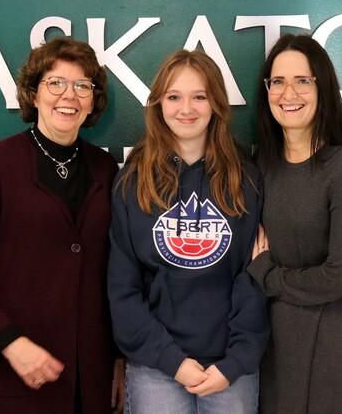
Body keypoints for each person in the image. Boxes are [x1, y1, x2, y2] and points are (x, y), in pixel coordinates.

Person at [0, 36, 124, 414]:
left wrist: (119, 359)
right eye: (56, 83)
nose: (68, 96)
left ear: (93, 101)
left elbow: (116, 272)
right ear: (34, 92)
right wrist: (10, 343)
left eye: (82, 86)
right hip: (14, 377)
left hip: (88, 382)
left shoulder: (105, 169)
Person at [107, 49, 270, 414]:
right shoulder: (132, 182)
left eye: (199, 96)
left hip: (231, 367)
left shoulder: (247, 180)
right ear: (158, 105)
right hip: (156, 365)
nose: (187, 108)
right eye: (174, 97)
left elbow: (253, 278)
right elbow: (123, 288)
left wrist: (235, 362)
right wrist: (173, 361)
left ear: (215, 104)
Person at [247, 33, 342, 413]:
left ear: (323, 87)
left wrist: (268, 275)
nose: (288, 93)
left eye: (303, 80)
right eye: (277, 81)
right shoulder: (259, 167)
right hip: (280, 348)